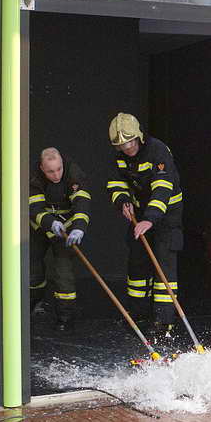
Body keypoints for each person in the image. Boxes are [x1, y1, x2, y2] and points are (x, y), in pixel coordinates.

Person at [106, 113, 183, 333]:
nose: (127, 148)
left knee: (163, 263)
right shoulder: (119, 156)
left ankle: (164, 320)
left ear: (138, 136)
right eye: (121, 145)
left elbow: (163, 188)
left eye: (130, 142)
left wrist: (149, 219)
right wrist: (123, 202)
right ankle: (137, 313)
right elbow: (115, 183)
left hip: (166, 214)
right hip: (139, 213)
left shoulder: (158, 151)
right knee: (137, 262)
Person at [29, 148, 91, 331]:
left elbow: (82, 202)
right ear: (42, 168)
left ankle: (65, 317)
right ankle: (33, 303)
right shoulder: (33, 176)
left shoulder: (74, 172)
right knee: (32, 268)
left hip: (67, 228)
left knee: (64, 272)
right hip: (40, 227)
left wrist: (79, 228)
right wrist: (50, 223)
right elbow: (34, 208)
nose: (56, 175)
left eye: (59, 169)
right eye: (50, 171)